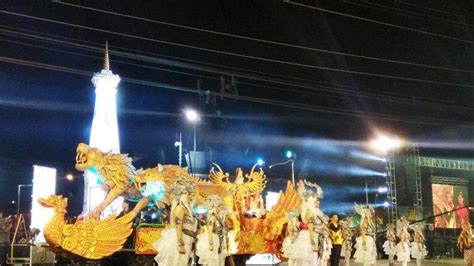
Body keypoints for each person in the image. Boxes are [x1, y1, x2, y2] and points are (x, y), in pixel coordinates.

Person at [153, 177, 197, 266]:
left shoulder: (186, 210)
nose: (192, 197)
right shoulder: (180, 209)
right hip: (180, 240)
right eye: (190, 194)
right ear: (184, 195)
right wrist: (181, 244)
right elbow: (178, 227)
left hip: (187, 240)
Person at [292, 180, 327, 266]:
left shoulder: (313, 212)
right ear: (311, 202)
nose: (317, 202)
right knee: (310, 260)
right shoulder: (310, 213)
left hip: (314, 236)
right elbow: (310, 228)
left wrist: (316, 186)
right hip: (310, 237)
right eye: (315, 201)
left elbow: (320, 195)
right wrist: (313, 242)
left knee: (312, 259)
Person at [196, 195, 229, 266]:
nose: (221, 208)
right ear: (215, 207)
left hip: (220, 240)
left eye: (221, 206)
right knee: (213, 261)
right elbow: (209, 231)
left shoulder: (219, 217)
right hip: (214, 240)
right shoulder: (212, 218)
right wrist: (210, 244)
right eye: (219, 206)